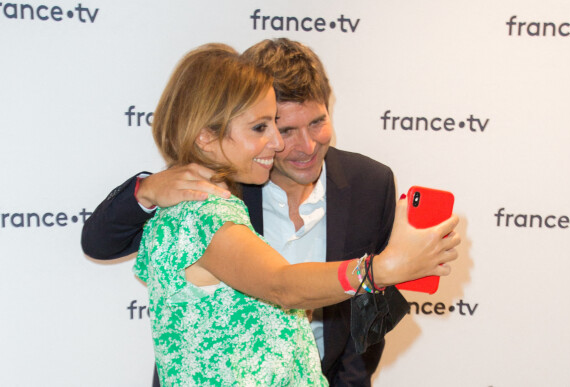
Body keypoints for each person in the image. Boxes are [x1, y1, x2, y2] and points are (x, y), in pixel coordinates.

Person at [82, 39, 461, 386]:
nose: (301, 145)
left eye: (317, 122)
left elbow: (368, 320)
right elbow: (283, 284)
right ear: (212, 134)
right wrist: (382, 268)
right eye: (273, 127)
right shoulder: (203, 200)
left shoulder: (371, 183)